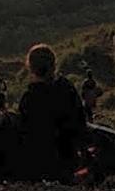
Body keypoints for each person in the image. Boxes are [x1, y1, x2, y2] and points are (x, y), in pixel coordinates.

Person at [18, 43, 86, 182]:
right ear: (54, 64)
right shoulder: (66, 88)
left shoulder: (29, 99)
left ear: (31, 69)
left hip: (44, 167)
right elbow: (80, 122)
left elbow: (27, 137)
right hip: (71, 158)